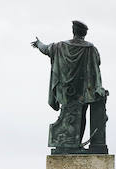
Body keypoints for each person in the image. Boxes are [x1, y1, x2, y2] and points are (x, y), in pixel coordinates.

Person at [32, 20, 108, 154]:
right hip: (84, 91)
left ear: (73, 31)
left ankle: (70, 143)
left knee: (68, 114)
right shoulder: (90, 48)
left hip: (66, 91)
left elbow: (46, 49)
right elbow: (97, 63)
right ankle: (75, 143)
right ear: (84, 34)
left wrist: (38, 44)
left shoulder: (60, 46)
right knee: (82, 115)